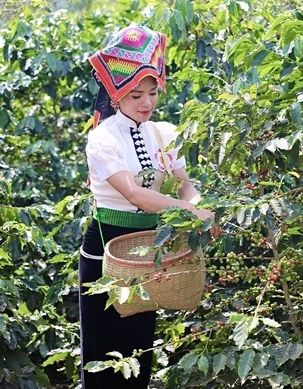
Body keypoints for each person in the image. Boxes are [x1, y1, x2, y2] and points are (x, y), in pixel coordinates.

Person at [79, 24, 219, 388]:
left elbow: (188, 186)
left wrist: (198, 208)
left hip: (151, 247)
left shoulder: (165, 133)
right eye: (136, 94)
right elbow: (135, 195)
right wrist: (189, 210)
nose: (147, 102)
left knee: (139, 348)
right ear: (116, 96)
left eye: (153, 93)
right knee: (104, 349)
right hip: (109, 247)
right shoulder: (102, 138)